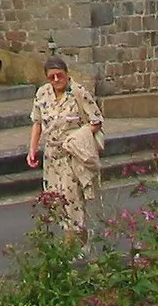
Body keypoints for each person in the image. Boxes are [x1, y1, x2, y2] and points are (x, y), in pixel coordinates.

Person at [25, 55, 103, 240]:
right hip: (52, 156)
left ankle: (74, 243)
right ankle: (79, 239)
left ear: (67, 74)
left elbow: (96, 121)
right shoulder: (43, 94)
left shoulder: (78, 93)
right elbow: (37, 122)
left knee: (72, 199)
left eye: (59, 75)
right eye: (51, 77)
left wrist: (78, 137)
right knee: (56, 200)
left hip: (72, 155)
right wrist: (32, 149)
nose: (56, 80)